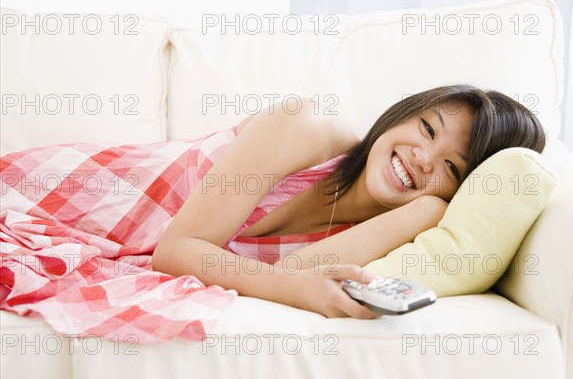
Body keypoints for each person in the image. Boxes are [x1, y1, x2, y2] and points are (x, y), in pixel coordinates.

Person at [151, 85, 546, 319]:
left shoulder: (407, 222)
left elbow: (292, 273)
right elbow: (174, 251)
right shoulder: (304, 127)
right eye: (427, 129)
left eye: (452, 168)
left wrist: (428, 211)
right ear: (401, 114)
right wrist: (298, 290)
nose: (423, 158)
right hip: (101, 202)